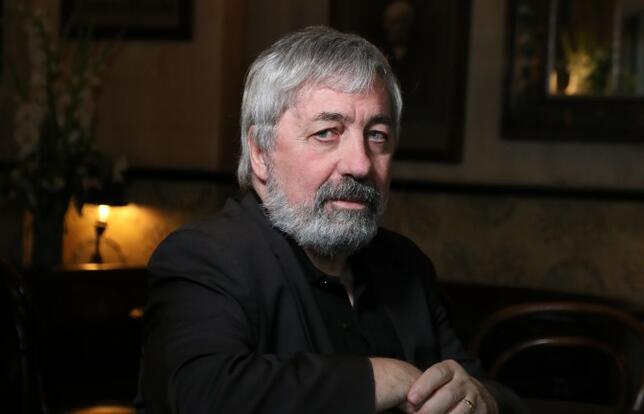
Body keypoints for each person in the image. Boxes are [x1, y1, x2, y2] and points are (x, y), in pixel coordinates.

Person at [136, 26, 525, 413]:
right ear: (260, 152)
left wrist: (481, 399)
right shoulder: (204, 258)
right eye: (326, 133)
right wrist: (383, 377)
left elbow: (480, 387)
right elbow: (202, 393)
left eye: (377, 135)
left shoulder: (405, 265)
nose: (360, 164)